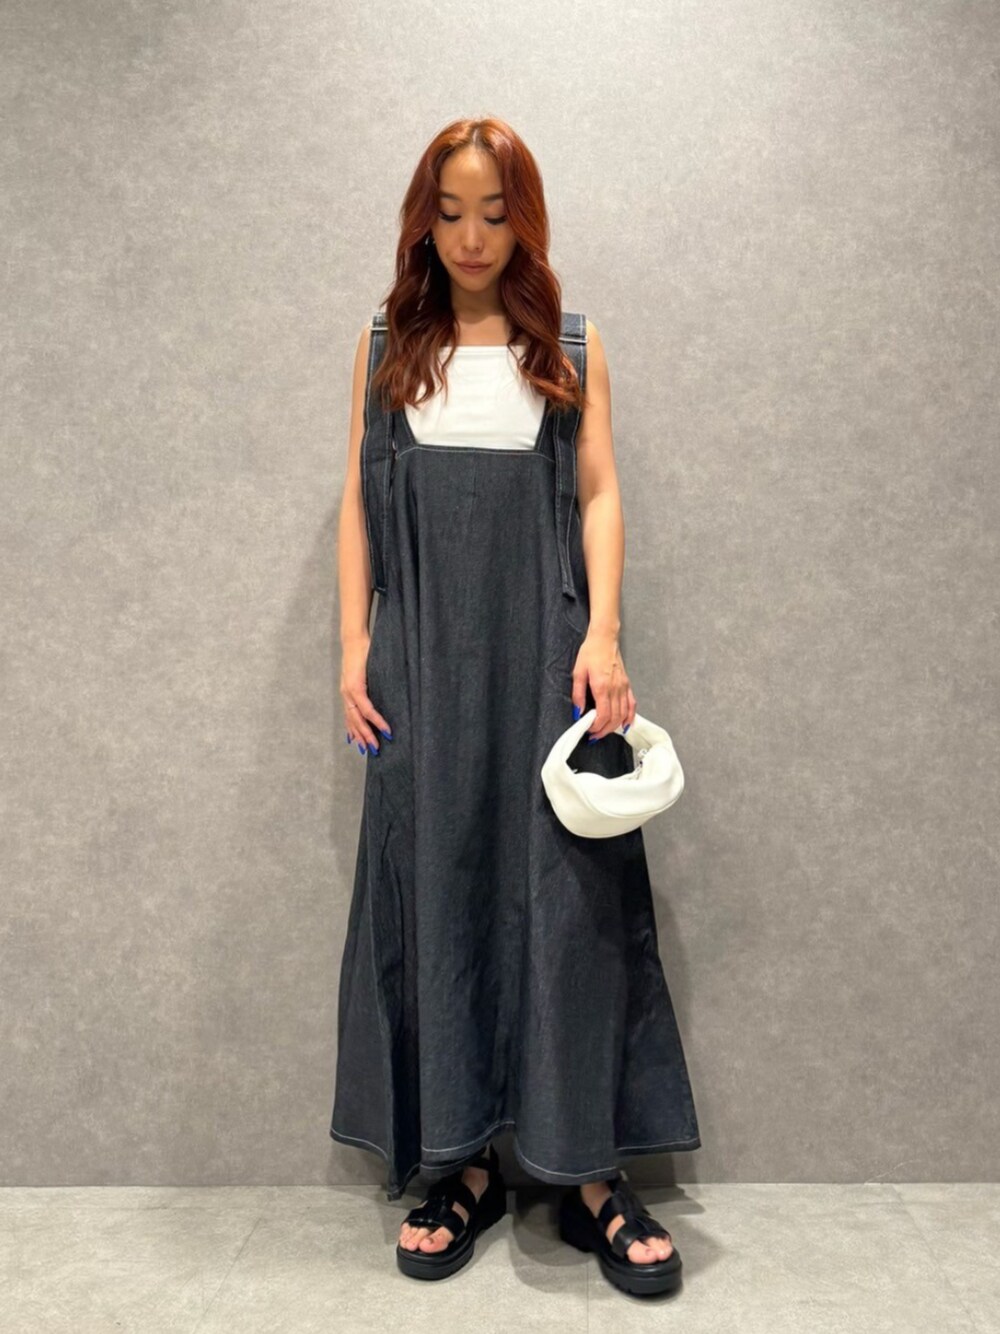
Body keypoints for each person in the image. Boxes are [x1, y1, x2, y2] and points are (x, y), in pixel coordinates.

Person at [330, 117, 700, 1298]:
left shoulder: (569, 346)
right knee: (438, 895)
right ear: (422, 219)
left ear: (524, 220)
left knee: (566, 907)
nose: (472, 235)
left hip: (547, 662)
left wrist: (603, 632)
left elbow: (598, 492)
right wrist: (354, 645)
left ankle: (587, 1173)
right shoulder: (386, 345)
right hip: (421, 673)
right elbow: (356, 501)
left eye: (494, 211)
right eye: (449, 210)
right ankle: (461, 1162)